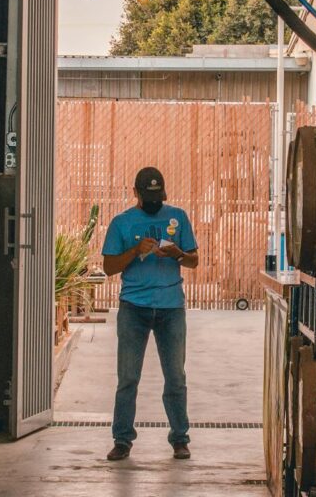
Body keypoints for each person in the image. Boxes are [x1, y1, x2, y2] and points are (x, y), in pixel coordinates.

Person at [101, 167, 199, 461]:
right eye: (149, 196)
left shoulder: (178, 217)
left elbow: (194, 261)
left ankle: (180, 439)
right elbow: (108, 267)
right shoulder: (121, 223)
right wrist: (134, 250)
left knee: (175, 377)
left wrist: (178, 254)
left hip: (171, 307)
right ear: (136, 194)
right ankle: (122, 440)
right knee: (128, 377)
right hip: (134, 308)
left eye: (158, 196)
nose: (154, 201)